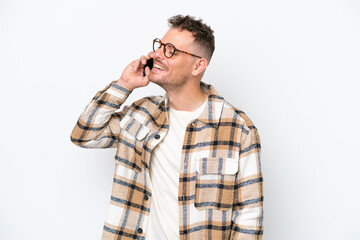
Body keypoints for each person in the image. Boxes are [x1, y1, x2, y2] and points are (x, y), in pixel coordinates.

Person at [71, 15, 263, 240]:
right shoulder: (141, 114)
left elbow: (249, 218)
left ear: (198, 65)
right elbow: (84, 135)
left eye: (170, 50)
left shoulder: (239, 130)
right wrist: (124, 85)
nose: (156, 54)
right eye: (159, 46)